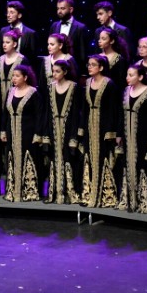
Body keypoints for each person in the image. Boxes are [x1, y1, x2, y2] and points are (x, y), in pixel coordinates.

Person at [116, 63, 147, 214]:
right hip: (127, 136)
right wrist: (119, 134)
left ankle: (144, 201)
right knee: (127, 165)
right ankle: (129, 199)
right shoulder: (126, 90)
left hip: (143, 136)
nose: (127, 78)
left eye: (131, 75)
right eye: (127, 75)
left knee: (143, 166)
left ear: (140, 77)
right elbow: (121, 114)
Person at [79, 54, 122, 208]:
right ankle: (89, 194)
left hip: (104, 128)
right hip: (90, 126)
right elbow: (84, 108)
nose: (89, 67)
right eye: (88, 64)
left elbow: (113, 109)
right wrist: (81, 128)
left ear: (101, 67)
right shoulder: (88, 82)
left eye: (93, 64)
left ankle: (105, 196)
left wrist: (112, 131)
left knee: (103, 159)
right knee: (89, 158)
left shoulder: (109, 84)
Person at [41, 59, 83, 204]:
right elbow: (46, 111)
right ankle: (55, 193)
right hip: (53, 130)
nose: (54, 74)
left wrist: (75, 136)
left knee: (69, 160)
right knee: (54, 160)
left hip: (69, 128)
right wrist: (46, 135)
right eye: (53, 71)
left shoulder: (74, 87)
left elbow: (77, 112)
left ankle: (70, 193)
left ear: (65, 72)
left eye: (57, 71)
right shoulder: (49, 87)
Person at [0, 64, 43, 202]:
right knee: (12, 158)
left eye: (17, 76)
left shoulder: (33, 92)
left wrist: (38, 134)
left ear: (25, 77)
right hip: (12, 131)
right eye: (13, 75)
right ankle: (13, 190)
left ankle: (29, 191)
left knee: (28, 158)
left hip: (28, 132)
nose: (14, 78)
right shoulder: (11, 91)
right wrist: (3, 130)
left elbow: (39, 115)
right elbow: (5, 113)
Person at [48, 0, 90, 79]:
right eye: (58, 8)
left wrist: (82, 74)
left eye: (63, 8)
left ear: (71, 9)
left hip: (72, 70)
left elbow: (83, 53)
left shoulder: (80, 27)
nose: (59, 11)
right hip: (55, 69)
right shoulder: (54, 26)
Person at [0, 29, 29, 110]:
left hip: (16, 95)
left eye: (7, 42)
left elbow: (26, 80)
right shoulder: (0, 59)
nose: (4, 45)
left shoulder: (22, 59)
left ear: (14, 44)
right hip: (0, 96)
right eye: (3, 42)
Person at [38, 33, 76, 102]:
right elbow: (42, 83)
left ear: (60, 45)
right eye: (48, 44)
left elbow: (73, 80)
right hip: (48, 98)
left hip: (64, 97)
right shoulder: (46, 60)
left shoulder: (68, 60)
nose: (49, 47)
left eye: (52, 44)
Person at [97, 27, 129, 95]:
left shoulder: (120, 60)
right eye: (99, 38)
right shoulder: (97, 58)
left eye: (103, 39)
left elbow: (121, 82)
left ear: (112, 41)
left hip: (113, 94)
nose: (99, 41)